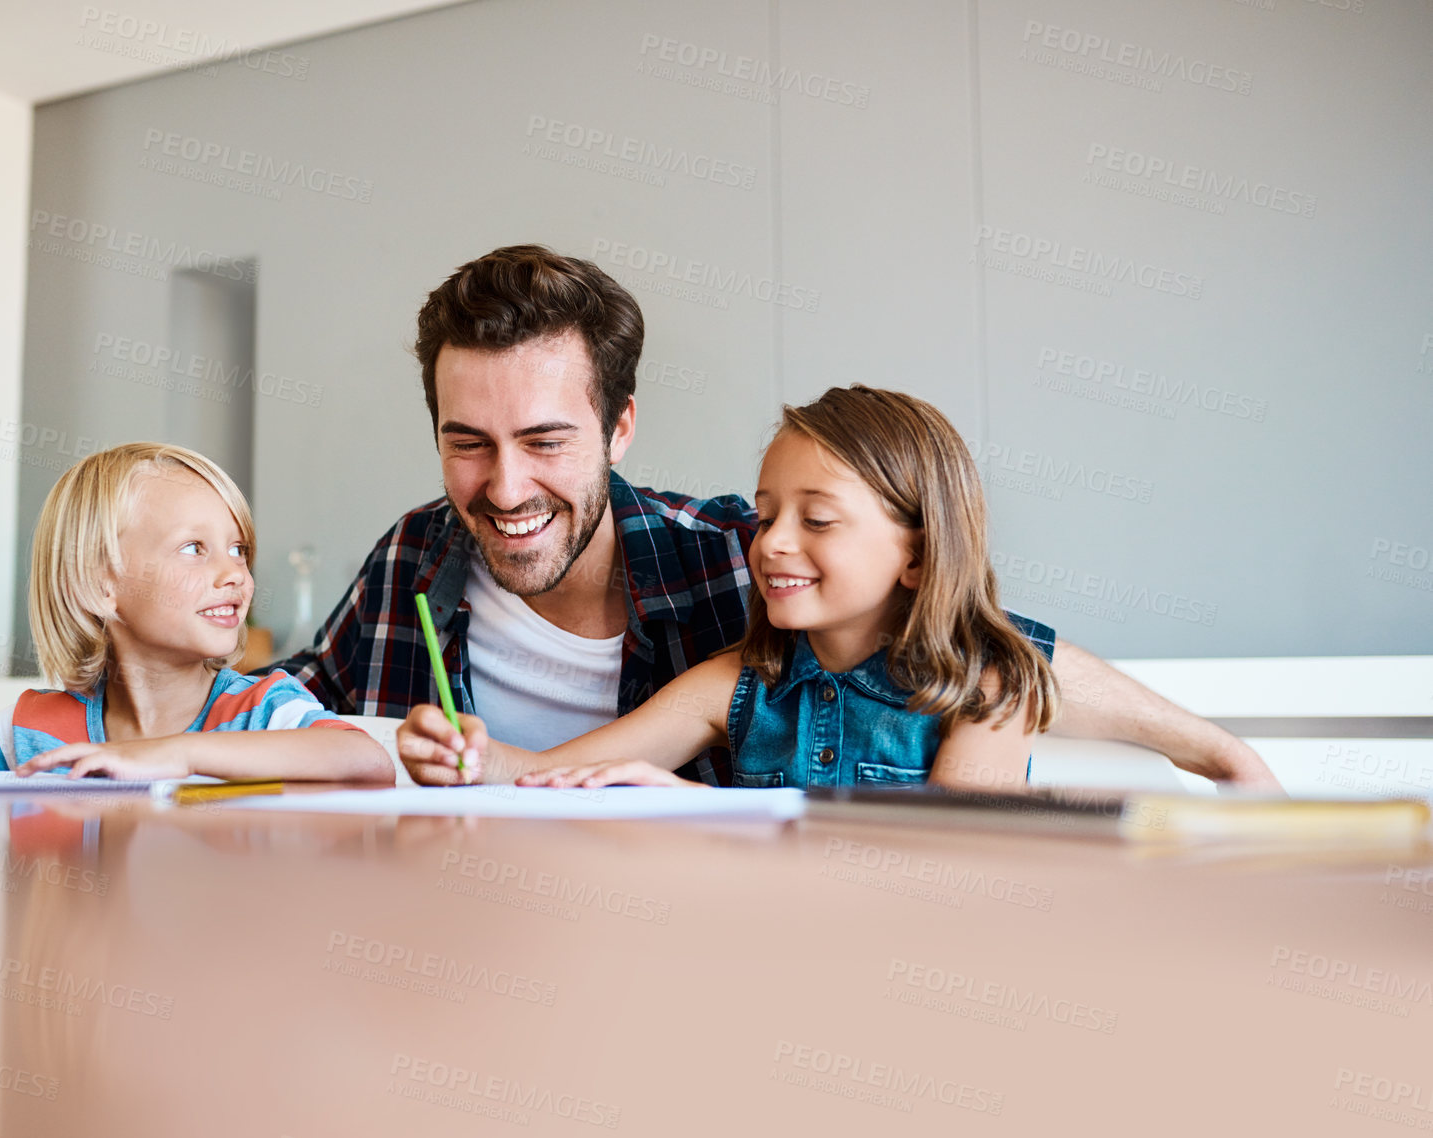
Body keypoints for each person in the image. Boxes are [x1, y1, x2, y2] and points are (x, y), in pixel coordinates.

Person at [270, 244, 1279, 789]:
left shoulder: (745, 578)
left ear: (621, 429)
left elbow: (961, 850)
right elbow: (291, 708)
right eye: (467, 442)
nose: (502, 489)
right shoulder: (416, 555)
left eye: (543, 442)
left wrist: (693, 814)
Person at [398, 385, 1056, 789]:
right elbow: (559, 773)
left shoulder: (993, 688)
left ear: (917, 555)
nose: (769, 543)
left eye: (817, 520)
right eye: (766, 516)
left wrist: (710, 815)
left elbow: (959, 860)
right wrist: (470, 759)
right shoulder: (736, 684)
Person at [0, 443, 390, 782]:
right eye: (195, 548)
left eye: (238, 548)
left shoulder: (260, 709)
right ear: (100, 587)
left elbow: (363, 759)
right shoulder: (34, 728)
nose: (234, 572)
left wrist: (177, 753)